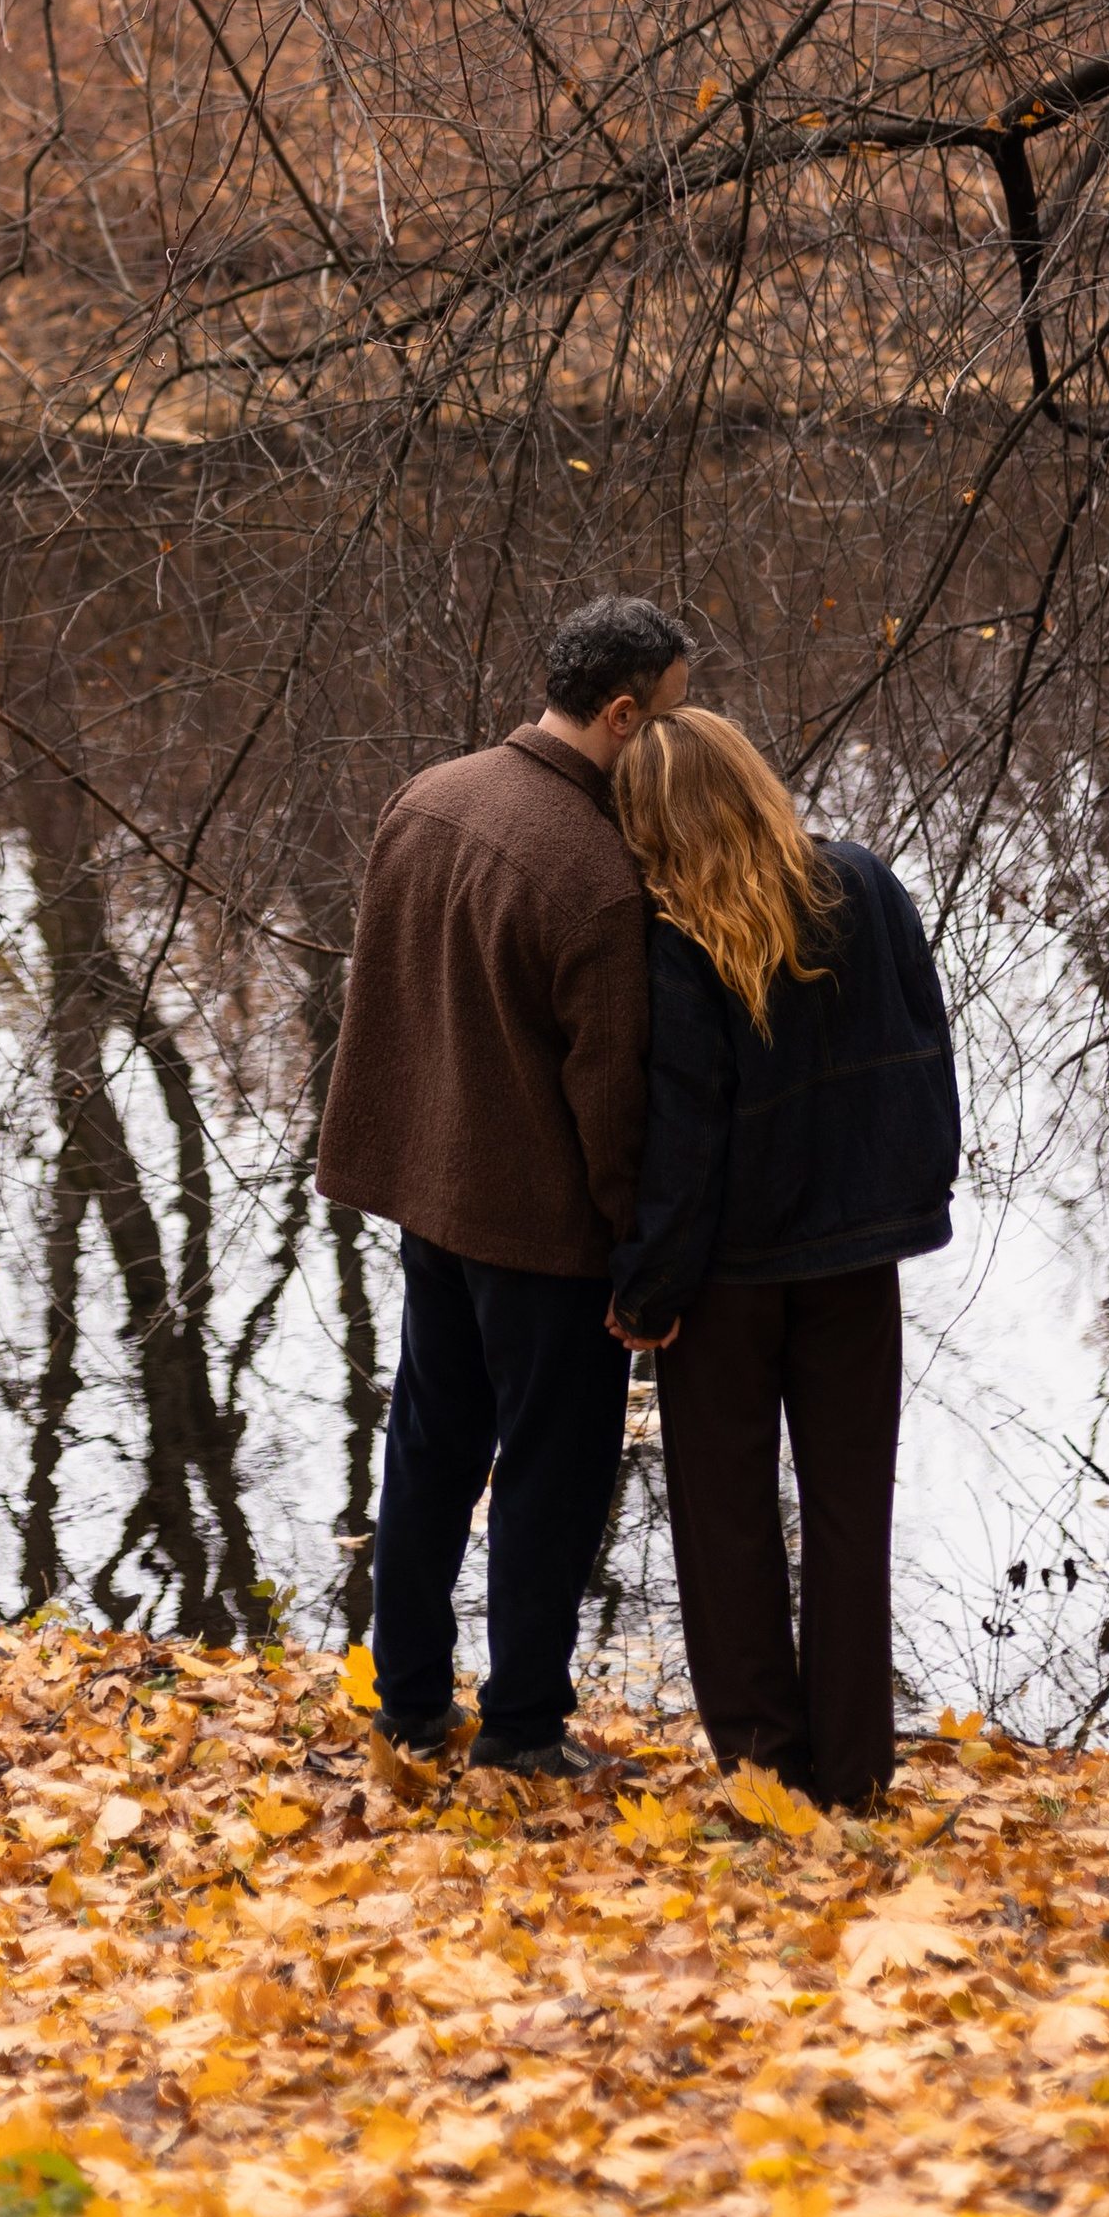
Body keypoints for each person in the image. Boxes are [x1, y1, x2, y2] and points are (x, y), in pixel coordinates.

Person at [315, 594, 690, 1776]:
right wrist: (645, 1254)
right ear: (621, 713)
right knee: (548, 1481)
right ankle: (525, 1727)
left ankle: (410, 1704)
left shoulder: (427, 795)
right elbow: (611, 1098)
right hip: (540, 1232)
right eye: (671, 716)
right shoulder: (593, 873)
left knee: (426, 1454)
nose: (679, 740)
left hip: (435, 1199)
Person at [606, 708, 958, 1813]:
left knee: (727, 1521)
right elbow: (925, 1046)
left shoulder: (677, 937)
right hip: (856, 1260)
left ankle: (763, 1769)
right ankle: (854, 1777)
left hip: (728, 1278)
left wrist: (646, 1291)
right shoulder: (863, 882)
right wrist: (914, 1192)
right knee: (851, 1513)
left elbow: (686, 1132)